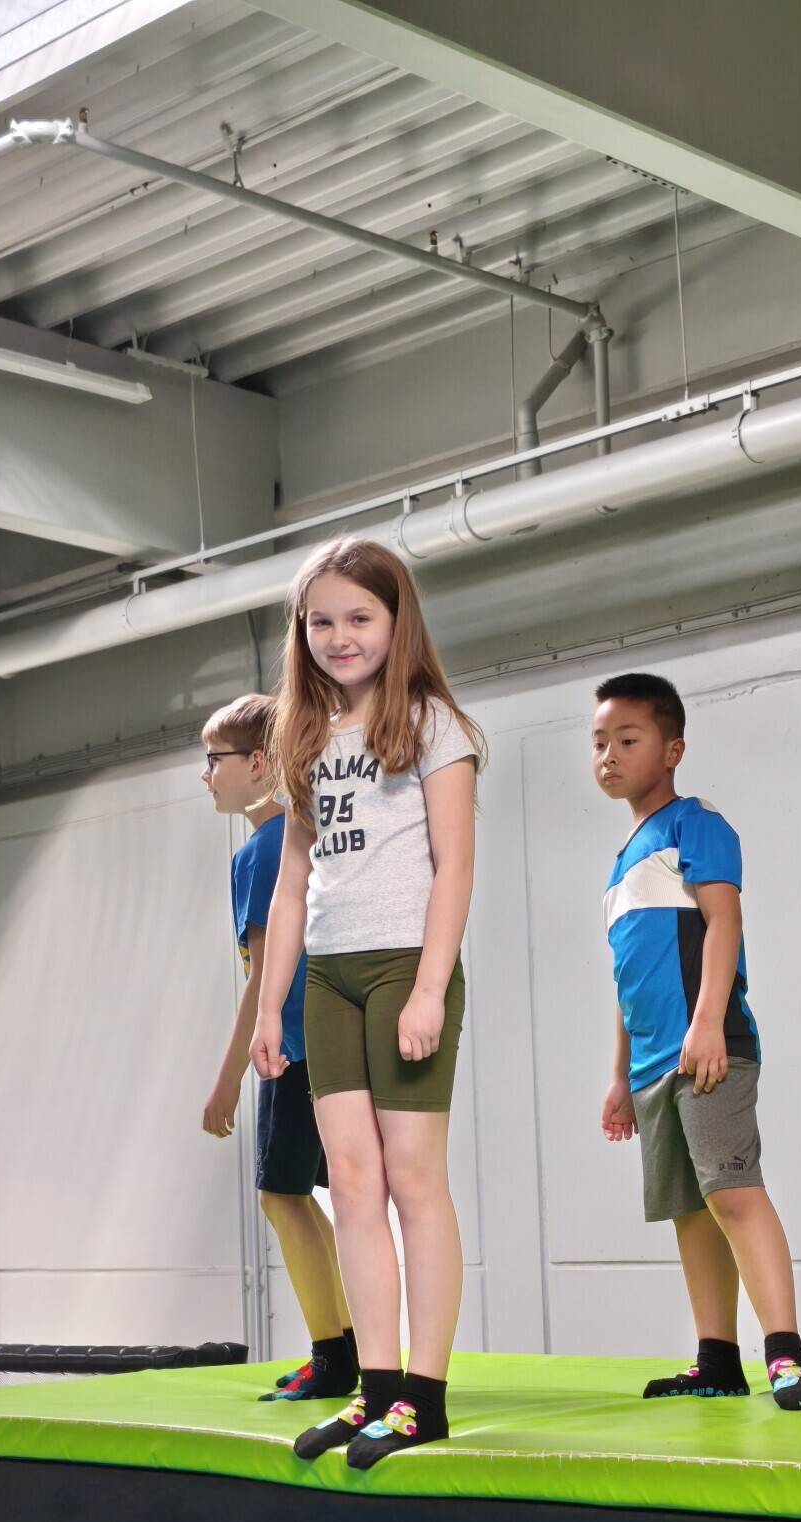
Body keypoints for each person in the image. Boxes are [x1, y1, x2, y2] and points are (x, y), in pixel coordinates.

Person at [251, 537, 483, 1467]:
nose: (339, 636)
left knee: (413, 1179)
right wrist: (268, 1008)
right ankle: (375, 1389)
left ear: (397, 622)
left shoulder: (432, 725)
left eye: (359, 618)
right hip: (328, 977)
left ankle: (424, 1396)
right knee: (348, 1183)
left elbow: (454, 867)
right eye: (321, 622)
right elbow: (291, 882)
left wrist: (428, 989)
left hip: (402, 969)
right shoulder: (303, 735)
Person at [592, 671, 801, 1411]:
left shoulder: (696, 824)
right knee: (691, 1210)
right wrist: (620, 1075)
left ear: (672, 750)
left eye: (627, 740)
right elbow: (628, 980)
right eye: (598, 743)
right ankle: (717, 1359)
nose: (608, 755)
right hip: (653, 1065)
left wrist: (707, 1023)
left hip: (708, 1047)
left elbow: (724, 922)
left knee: (732, 1192)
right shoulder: (620, 868)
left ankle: (784, 1355)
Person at [200, 693, 356, 1402]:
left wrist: (227, 1078)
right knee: (301, 1197)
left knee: (280, 1196)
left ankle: (334, 1356)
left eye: (215, 759)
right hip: (317, 1043)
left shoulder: (264, 850)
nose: (206, 774)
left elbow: (266, 977)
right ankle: (343, 1346)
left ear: (259, 762)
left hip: (292, 1048)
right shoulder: (294, 837)